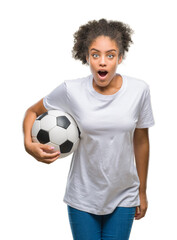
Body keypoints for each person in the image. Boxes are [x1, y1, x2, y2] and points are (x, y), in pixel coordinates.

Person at [23, 19, 155, 240]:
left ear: (120, 58)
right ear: (86, 57)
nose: (102, 62)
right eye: (95, 55)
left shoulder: (139, 90)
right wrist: (29, 144)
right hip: (83, 195)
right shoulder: (71, 90)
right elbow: (32, 112)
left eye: (110, 55)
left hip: (124, 194)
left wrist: (142, 191)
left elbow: (141, 141)